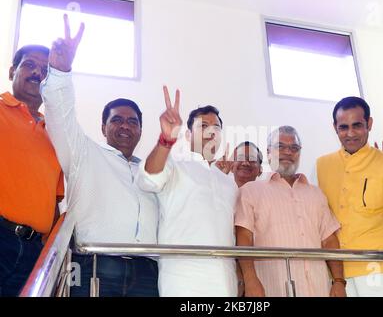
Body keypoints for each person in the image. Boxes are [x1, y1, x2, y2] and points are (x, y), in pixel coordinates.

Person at [40, 15, 159, 297]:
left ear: (141, 130)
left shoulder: (152, 172)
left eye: (132, 122)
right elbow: (61, 114)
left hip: (148, 272)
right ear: (103, 127)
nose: (125, 126)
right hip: (94, 266)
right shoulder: (83, 152)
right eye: (117, 120)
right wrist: (60, 72)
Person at [315, 96, 383, 297]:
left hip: (379, 268)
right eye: (343, 127)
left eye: (357, 125)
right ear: (335, 127)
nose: (350, 133)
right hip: (336, 272)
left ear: (369, 124)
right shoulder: (321, 165)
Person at [136, 93, 238, 296]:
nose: (211, 131)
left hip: (226, 282)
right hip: (183, 282)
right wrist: (166, 139)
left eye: (216, 127)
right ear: (189, 135)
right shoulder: (175, 166)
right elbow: (148, 179)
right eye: (203, 126)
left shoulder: (228, 182)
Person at [235, 126, 345, 297]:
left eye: (294, 148)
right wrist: (250, 280)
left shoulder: (315, 193)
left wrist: (339, 281)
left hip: (319, 288)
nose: (288, 152)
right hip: (272, 289)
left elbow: (330, 240)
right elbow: (243, 238)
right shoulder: (250, 191)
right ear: (269, 152)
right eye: (280, 146)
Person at [0, 44, 64, 297]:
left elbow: (54, 202)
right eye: (29, 65)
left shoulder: (55, 134)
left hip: (33, 253)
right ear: (12, 70)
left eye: (45, 70)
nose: (38, 73)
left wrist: (53, 256)